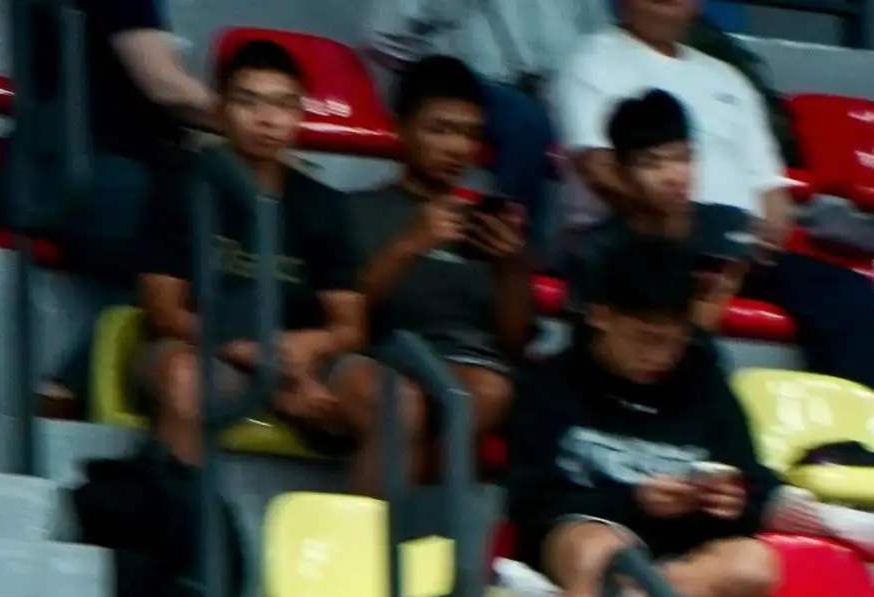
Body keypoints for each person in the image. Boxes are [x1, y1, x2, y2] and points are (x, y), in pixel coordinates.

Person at [551, 0, 874, 410]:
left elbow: (771, 188)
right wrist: (671, 220)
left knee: (850, 294)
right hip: (642, 240)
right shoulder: (591, 61)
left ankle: (865, 443)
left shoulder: (727, 76)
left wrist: (765, 230)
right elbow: (597, 166)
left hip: (735, 243)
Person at [505, 230, 780, 597]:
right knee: (604, 553)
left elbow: (754, 484)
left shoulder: (705, 382)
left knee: (756, 567)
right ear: (601, 314)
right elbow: (529, 503)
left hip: (680, 556)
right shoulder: (551, 384)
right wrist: (634, 504)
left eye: (674, 341)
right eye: (646, 339)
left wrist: (733, 504)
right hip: (581, 535)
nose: (661, 356)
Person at [135, 41, 363, 471]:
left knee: (392, 400)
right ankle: (179, 529)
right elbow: (163, 312)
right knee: (186, 381)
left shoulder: (325, 205)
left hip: (295, 358)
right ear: (220, 110)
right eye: (248, 101)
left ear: (300, 113)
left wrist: (308, 345)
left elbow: (350, 325)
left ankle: (374, 538)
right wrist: (252, 356)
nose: (267, 119)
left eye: (283, 104)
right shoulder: (184, 188)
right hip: (200, 347)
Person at [334, 54, 537, 493]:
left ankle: (407, 517)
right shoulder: (354, 211)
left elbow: (514, 341)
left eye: (469, 133)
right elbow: (345, 315)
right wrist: (410, 244)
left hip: (471, 367)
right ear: (402, 127)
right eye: (440, 129)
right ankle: (405, 527)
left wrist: (511, 267)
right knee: (404, 404)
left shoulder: (491, 224)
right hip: (383, 357)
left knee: (486, 390)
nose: (456, 148)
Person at [26, 0, 222, 410]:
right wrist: (241, 116)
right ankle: (67, 389)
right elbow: (162, 83)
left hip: (64, 164)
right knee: (197, 255)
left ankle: (65, 389)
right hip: (88, 174)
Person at [365, 0, 596, 222]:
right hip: (456, 77)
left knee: (594, 132)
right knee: (526, 122)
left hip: (548, 88)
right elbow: (384, 37)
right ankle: (501, 231)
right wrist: (430, 74)